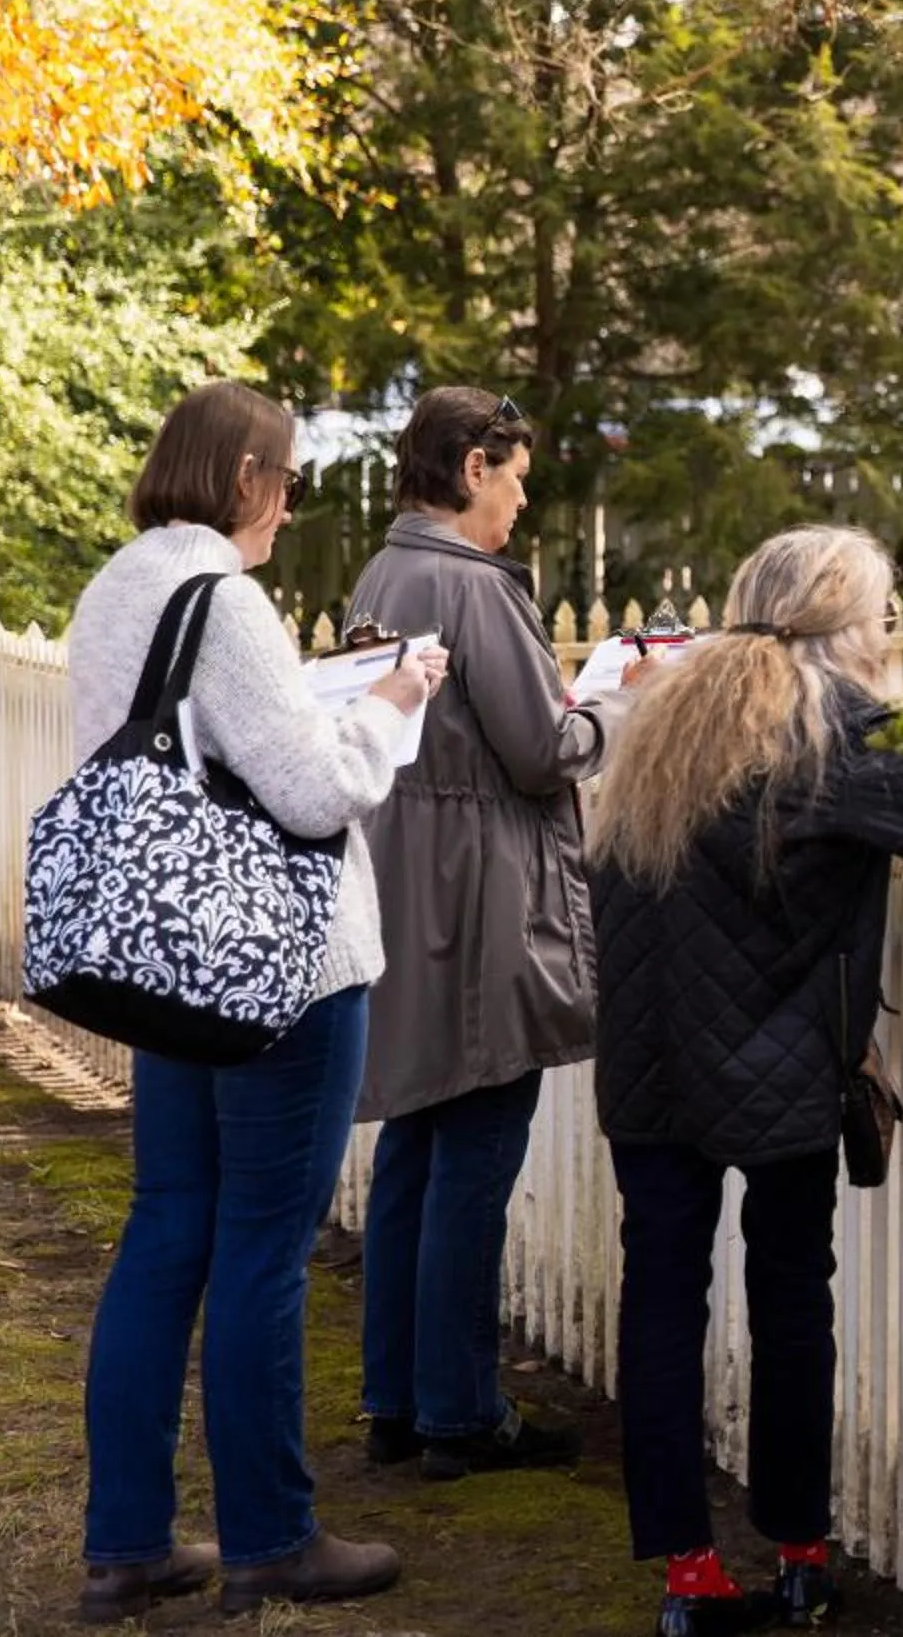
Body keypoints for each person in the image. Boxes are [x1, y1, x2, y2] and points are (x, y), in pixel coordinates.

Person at [586, 526, 903, 1637]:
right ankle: (799, 1551)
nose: (889, 633)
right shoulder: (834, 728)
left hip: (647, 1056)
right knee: (792, 1298)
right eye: (881, 615)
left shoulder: (665, 713)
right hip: (777, 1061)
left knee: (661, 1301)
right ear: (843, 623)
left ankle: (687, 1576)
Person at [66, 381, 448, 1623]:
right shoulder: (225, 598)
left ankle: (125, 1544)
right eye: (284, 479)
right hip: (279, 967)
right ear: (242, 475)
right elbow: (306, 792)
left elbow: (187, 746)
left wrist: (311, 688)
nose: (290, 503)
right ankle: (271, 1540)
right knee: (262, 1253)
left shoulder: (120, 583)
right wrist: (388, 708)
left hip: (171, 962)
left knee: (167, 1228)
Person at [346, 387, 615, 1478]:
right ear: (470, 468)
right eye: (514, 474)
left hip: (404, 880)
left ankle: (397, 1399)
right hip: (483, 897)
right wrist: (611, 705)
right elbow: (539, 751)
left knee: (415, 1140)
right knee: (475, 1156)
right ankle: (460, 1411)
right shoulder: (473, 583)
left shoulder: (382, 572)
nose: (522, 496)